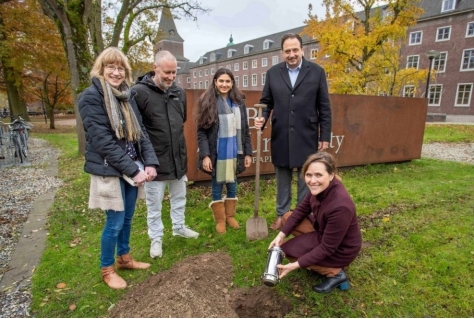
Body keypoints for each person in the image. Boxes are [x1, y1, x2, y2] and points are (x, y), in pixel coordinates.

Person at [78, 47, 159, 290]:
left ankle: (124, 259)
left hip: (132, 167)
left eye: (120, 67)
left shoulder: (126, 96)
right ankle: (107, 269)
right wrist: (133, 170)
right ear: (101, 69)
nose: (116, 72)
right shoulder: (91, 97)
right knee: (114, 222)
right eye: (110, 67)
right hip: (110, 170)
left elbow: (140, 133)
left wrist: (150, 162)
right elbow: (102, 141)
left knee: (127, 218)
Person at [254, 33, 332, 230]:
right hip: (281, 133)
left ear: (302, 50)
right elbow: (266, 102)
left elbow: (325, 107)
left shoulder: (316, 72)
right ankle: (282, 215)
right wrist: (262, 119)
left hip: (307, 133)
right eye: (287, 51)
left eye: (295, 50)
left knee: (307, 178)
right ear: (282, 53)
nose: (291, 54)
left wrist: (325, 136)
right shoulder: (272, 73)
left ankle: (302, 216)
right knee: (282, 177)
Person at [133, 50, 199, 259]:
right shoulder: (139, 93)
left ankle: (179, 227)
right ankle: (156, 238)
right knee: (154, 204)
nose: (171, 77)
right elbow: (138, 130)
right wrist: (146, 161)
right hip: (154, 162)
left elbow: (182, 120)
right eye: (167, 73)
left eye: (174, 73)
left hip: (177, 157)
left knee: (179, 197)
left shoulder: (178, 93)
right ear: (155, 68)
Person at [268, 152, 362, 293]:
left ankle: (335, 273)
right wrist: (280, 235)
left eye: (318, 175)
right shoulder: (319, 188)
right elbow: (301, 210)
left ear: (331, 175)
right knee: (288, 217)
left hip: (341, 249)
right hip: (323, 232)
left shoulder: (341, 206)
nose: (312, 180)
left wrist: (294, 265)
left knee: (289, 252)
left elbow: (327, 248)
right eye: (309, 175)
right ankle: (311, 251)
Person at [195, 68, 253, 234]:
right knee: (217, 185)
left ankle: (230, 216)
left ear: (232, 83)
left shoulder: (239, 102)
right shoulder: (207, 101)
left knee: (233, 184)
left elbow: (245, 130)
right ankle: (220, 220)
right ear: (215, 82)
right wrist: (205, 155)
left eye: (228, 81)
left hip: (235, 152)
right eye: (221, 81)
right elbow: (201, 132)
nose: (224, 84)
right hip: (217, 153)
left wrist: (248, 153)